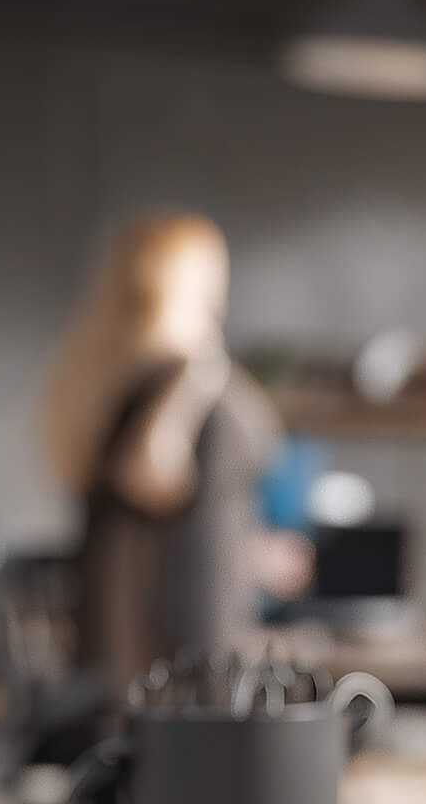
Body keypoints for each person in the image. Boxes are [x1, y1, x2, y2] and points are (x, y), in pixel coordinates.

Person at [41, 212, 302, 696]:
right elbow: (150, 480)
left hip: (137, 623)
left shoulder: (103, 381)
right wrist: (199, 375)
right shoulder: (182, 377)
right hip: (183, 625)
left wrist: (245, 548)